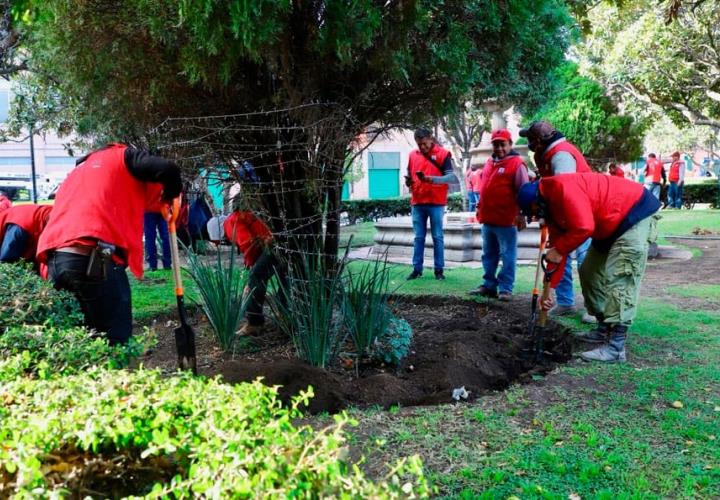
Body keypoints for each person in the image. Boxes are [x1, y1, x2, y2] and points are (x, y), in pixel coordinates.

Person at [36, 143, 182, 345]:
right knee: (115, 337)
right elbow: (168, 169)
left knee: (80, 341)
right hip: (93, 254)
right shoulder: (124, 156)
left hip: (57, 258)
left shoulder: (80, 171)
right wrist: (171, 195)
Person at [517, 173, 660, 363]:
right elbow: (557, 250)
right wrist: (549, 289)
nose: (535, 217)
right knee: (589, 272)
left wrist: (559, 249)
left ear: (538, 200)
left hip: (633, 214)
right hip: (608, 224)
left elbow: (584, 228)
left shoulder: (563, 189)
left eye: (533, 212)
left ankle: (616, 347)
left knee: (621, 278)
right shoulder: (550, 208)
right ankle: (603, 328)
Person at [519, 120, 594, 323]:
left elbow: (566, 191)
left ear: (540, 140)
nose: (529, 143)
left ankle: (593, 307)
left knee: (585, 260)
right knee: (560, 257)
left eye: (531, 139)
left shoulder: (561, 155)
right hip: (561, 214)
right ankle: (565, 302)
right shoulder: (543, 155)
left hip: (581, 212)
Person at [468, 129, 529, 301]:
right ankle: (489, 285)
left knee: (508, 255)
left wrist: (522, 214)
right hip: (488, 219)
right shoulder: (488, 162)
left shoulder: (517, 164)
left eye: (503, 144)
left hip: (506, 220)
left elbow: (524, 192)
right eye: (496, 144)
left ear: (510, 144)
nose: (499, 148)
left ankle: (505, 288)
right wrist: (479, 208)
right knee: (488, 255)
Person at [405, 127, 456, 281]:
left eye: (425, 144)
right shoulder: (412, 155)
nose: (422, 147)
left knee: (437, 237)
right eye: (419, 144)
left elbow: (451, 177)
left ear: (431, 138)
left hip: (436, 202)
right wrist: (409, 181)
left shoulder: (443, 154)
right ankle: (416, 269)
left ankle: (439, 270)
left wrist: (432, 179)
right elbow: (409, 174)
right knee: (418, 237)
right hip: (418, 202)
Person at [223, 202, 281, 336]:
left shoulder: (231, 221)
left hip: (273, 244)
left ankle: (254, 323)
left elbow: (248, 243)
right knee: (284, 274)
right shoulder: (249, 214)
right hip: (281, 240)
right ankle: (284, 316)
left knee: (256, 276)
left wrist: (250, 266)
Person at [143, 205, 172, 271]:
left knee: (150, 238)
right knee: (165, 237)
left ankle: (152, 265)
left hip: (149, 208)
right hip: (163, 208)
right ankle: (167, 264)